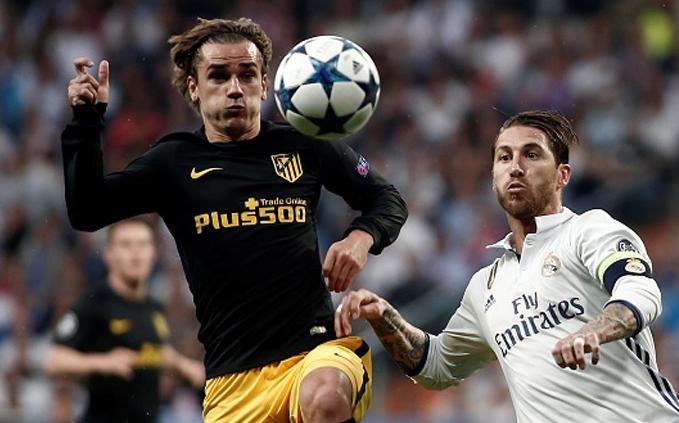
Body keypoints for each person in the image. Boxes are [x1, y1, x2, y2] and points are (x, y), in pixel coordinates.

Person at [61, 17, 407, 423]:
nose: (234, 88)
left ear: (265, 83)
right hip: (232, 382)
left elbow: (387, 199)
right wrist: (86, 122)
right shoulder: (173, 162)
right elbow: (87, 211)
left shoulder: (302, 144)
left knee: (327, 398)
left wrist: (360, 238)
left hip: (312, 354)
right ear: (194, 87)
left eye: (247, 74)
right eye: (219, 76)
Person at [336, 110, 679, 422]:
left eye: (532, 154)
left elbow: (641, 291)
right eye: (504, 157)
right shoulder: (485, 286)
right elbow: (437, 366)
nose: (516, 167)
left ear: (562, 175)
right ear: (493, 175)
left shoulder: (589, 230)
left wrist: (594, 332)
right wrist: (384, 315)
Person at [45, 218, 205, 423]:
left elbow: (152, 352)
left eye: (143, 244)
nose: (136, 253)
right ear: (109, 255)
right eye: (126, 245)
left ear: (153, 253)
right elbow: (54, 360)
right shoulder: (94, 303)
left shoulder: (154, 308)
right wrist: (102, 362)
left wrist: (183, 366)